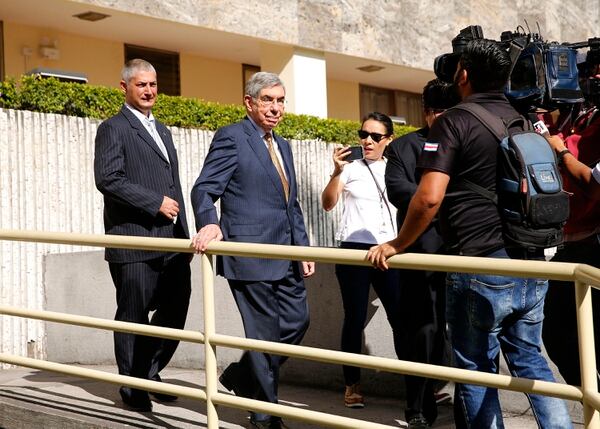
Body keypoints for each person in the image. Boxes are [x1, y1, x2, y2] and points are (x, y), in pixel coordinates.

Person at [367, 39, 573, 428]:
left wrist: (397, 243)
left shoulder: (452, 121)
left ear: (462, 74)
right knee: (531, 362)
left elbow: (428, 199)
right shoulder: (522, 120)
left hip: (479, 263)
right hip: (530, 260)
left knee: (476, 368)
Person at [190, 71, 314, 429]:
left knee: (296, 323)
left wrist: (304, 248)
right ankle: (264, 415)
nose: (276, 108)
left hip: (286, 254)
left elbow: (291, 204)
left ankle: (242, 376)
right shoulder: (232, 137)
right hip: (249, 254)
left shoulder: (283, 145)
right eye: (268, 100)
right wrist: (209, 223)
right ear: (249, 103)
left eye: (280, 100)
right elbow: (204, 189)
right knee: (263, 335)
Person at [94, 59, 191, 412]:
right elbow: (108, 179)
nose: (149, 91)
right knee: (132, 313)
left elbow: (173, 184)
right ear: (124, 87)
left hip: (173, 242)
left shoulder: (162, 129)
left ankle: (149, 372)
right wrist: (154, 203)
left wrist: (186, 236)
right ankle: (132, 384)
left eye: (152, 84)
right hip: (134, 240)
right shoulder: (113, 128)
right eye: (141, 85)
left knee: (176, 307)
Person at [384, 79, 459, 428]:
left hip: (462, 251)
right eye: (439, 114)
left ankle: (464, 407)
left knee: (460, 332)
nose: (445, 120)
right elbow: (401, 192)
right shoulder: (403, 147)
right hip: (418, 252)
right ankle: (417, 407)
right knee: (421, 332)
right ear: (427, 114)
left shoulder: (464, 139)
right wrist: (442, 201)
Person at [321, 112, 401, 410]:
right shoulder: (350, 168)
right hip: (354, 249)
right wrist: (335, 172)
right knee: (354, 318)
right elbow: (328, 204)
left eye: (375, 136)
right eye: (363, 134)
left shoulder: (396, 169)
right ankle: (351, 384)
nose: (367, 141)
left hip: (389, 250)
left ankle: (420, 387)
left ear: (388, 140)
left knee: (401, 319)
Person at [543, 106, 600, 386]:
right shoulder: (577, 113)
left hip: (591, 248)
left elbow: (594, 184)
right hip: (574, 247)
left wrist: (561, 151)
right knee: (555, 333)